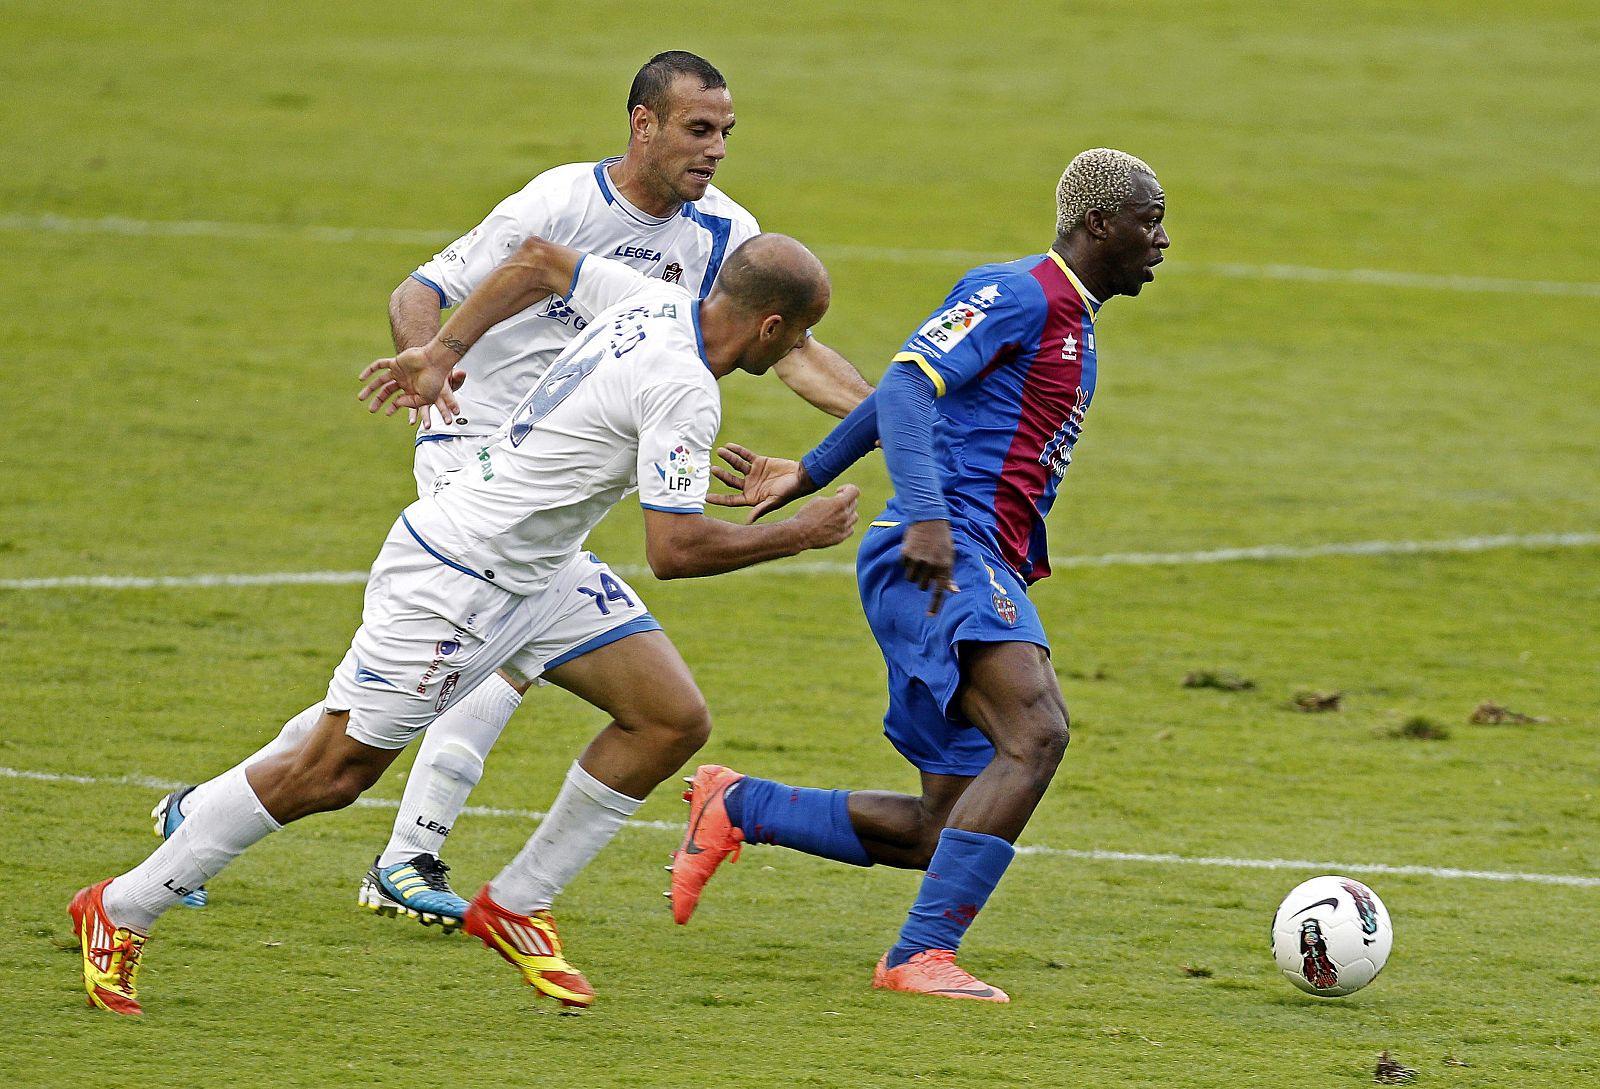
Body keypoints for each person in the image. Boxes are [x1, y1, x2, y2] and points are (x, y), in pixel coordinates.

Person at [148, 50, 871, 925]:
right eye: (698, 129)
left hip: (572, 460)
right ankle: (412, 854)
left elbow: (783, 343)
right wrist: (434, 361)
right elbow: (425, 288)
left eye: (725, 132)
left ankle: (210, 811)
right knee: (496, 646)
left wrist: (891, 413)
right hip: (477, 447)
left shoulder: (726, 235)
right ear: (643, 123)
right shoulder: (559, 204)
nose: (716, 149)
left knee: (425, 675)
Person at [71, 232, 861, 1016]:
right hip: (456, 579)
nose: (803, 347)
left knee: (669, 719)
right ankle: (122, 906)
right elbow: (675, 549)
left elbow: (540, 259)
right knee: (331, 770)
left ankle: (516, 903)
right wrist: (802, 531)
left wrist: (442, 347)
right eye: (802, 332)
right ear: (771, 328)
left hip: (541, 569)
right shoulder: (687, 388)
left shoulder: (653, 299)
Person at [668, 149, 1169, 1003]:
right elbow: (906, 384)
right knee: (1038, 732)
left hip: (965, 556)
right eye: (1149, 221)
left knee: (944, 826)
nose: (1161, 242)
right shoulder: (1021, 292)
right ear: (1098, 225)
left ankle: (740, 804)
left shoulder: (1072, 318)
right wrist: (932, 515)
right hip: (942, 552)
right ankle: (918, 955)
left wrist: (808, 470)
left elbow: (906, 377)